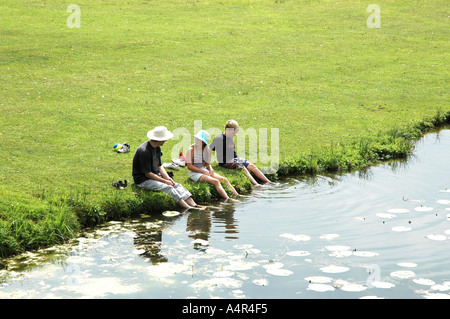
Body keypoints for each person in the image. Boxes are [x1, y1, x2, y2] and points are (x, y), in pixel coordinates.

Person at [132, 126, 205, 210]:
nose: (166, 140)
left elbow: (160, 166)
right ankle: (188, 208)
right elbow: (147, 174)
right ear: (160, 139)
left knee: (176, 185)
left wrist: (168, 178)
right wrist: (164, 181)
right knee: (168, 187)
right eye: (165, 138)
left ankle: (194, 205)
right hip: (143, 180)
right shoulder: (144, 151)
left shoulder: (157, 148)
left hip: (155, 176)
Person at [209, 120, 271, 185]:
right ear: (228, 130)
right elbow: (208, 149)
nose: (235, 135)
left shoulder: (231, 136)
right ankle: (257, 185)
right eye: (234, 133)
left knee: (252, 166)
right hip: (226, 161)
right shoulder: (219, 139)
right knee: (243, 168)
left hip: (235, 158)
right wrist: (208, 164)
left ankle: (269, 182)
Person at [187, 130, 240, 201]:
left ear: (203, 142)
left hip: (203, 170)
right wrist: (203, 171)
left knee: (225, 180)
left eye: (199, 140)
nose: (196, 140)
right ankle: (228, 199)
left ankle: (237, 196)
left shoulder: (206, 150)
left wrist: (210, 169)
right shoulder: (191, 150)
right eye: (196, 139)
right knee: (216, 182)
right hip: (194, 173)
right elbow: (189, 166)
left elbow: (207, 164)